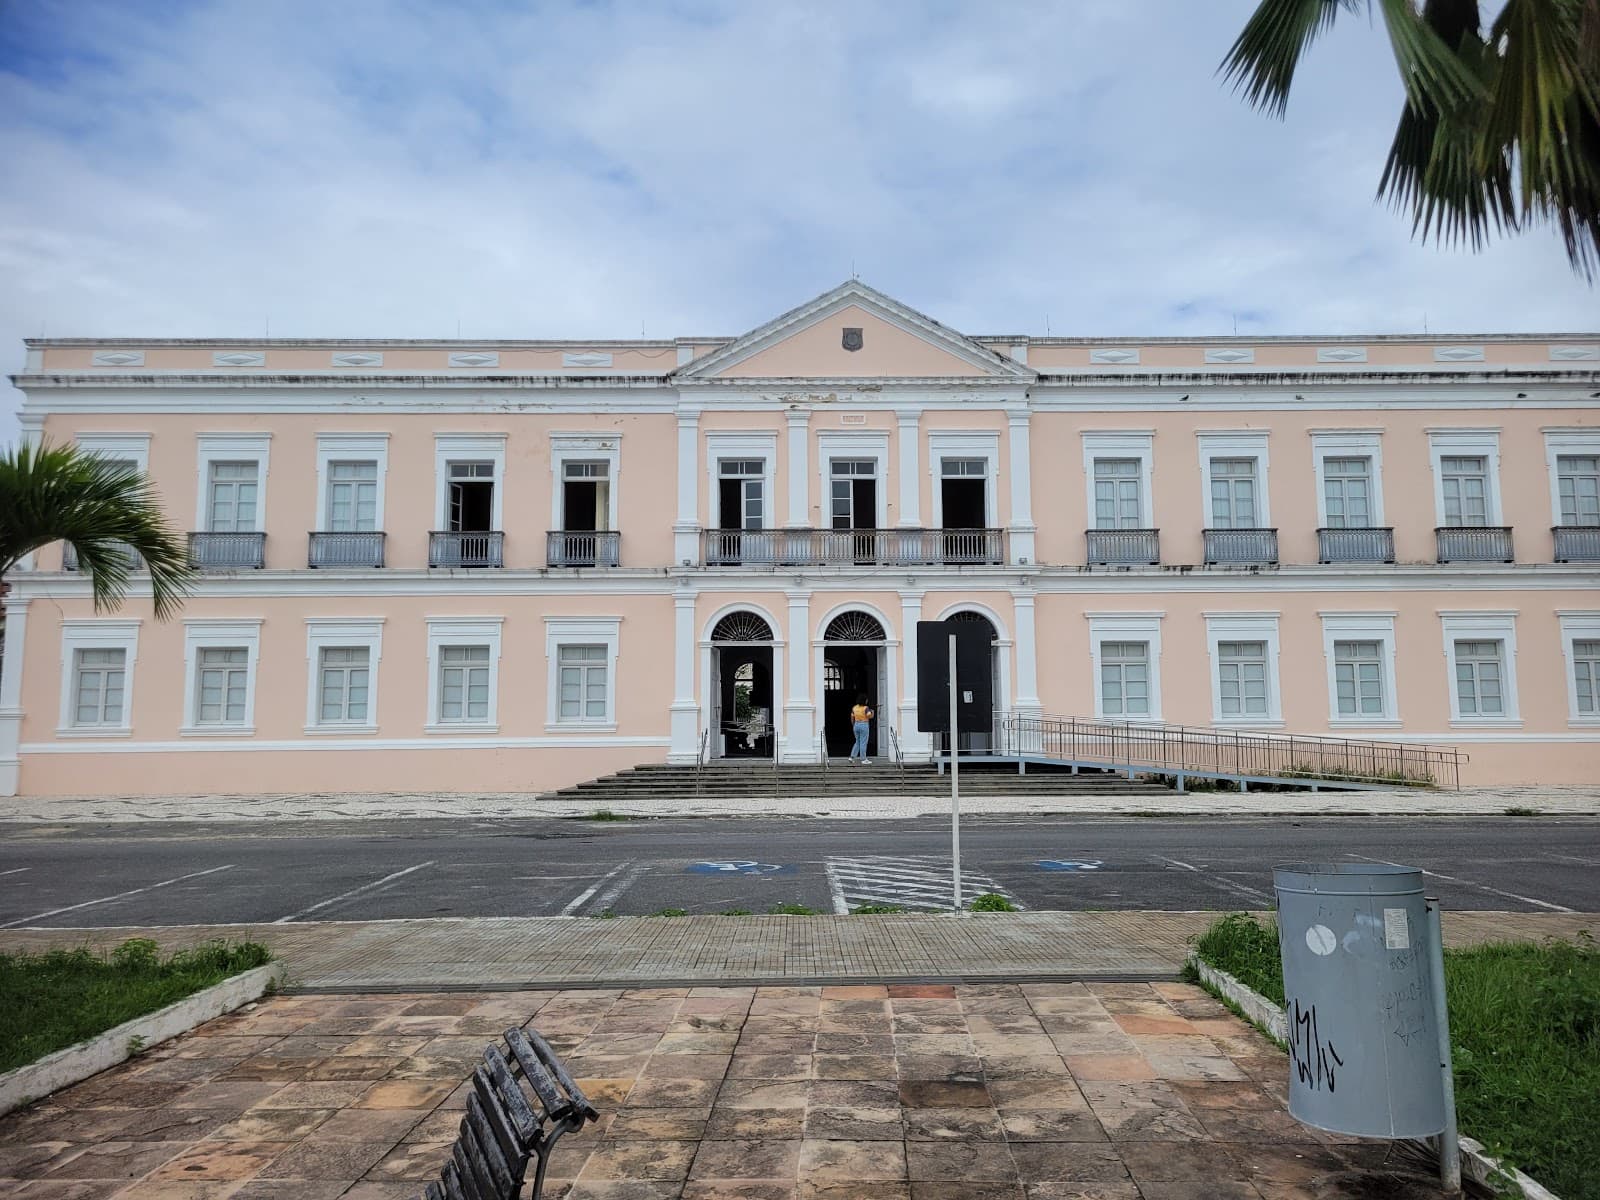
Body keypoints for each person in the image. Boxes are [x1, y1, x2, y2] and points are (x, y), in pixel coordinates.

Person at [849, 693, 874, 764]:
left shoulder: (854, 708)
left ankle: (852, 757)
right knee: (863, 742)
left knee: (857, 742)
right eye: (866, 700)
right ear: (865, 700)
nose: (867, 701)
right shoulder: (866, 708)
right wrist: (872, 712)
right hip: (864, 725)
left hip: (856, 725)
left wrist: (854, 725)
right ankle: (863, 759)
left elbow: (852, 718)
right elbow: (869, 716)